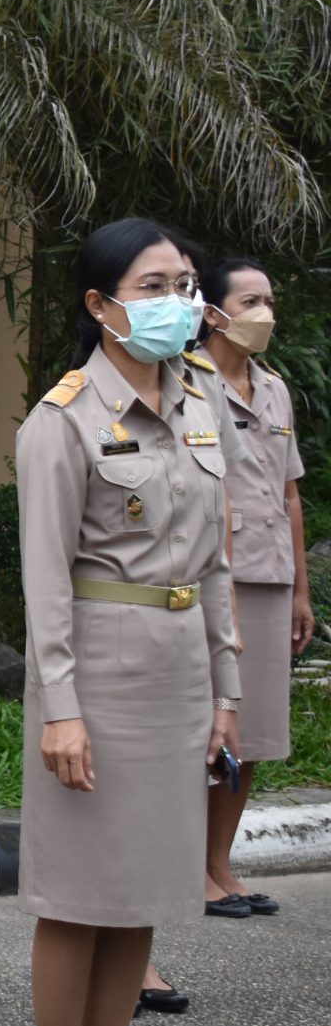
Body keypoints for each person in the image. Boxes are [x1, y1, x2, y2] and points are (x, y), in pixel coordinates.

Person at [15, 217, 236, 1026]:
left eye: (185, 284)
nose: (177, 301)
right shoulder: (62, 420)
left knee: (140, 893)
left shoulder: (201, 402)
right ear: (101, 305)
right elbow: (46, 582)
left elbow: (216, 562)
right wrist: (61, 707)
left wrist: (227, 689)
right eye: (153, 286)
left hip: (179, 672)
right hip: (98, 676)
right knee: (79, 898)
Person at [191, 255, 308, 916]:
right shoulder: (188, 380)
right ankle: (190, 870)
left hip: (269, 574)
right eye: (250, 301)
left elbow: (289, 494)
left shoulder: (274, 388)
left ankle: (220, 864)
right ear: (213, 312)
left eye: (269, 301)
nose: (264, 313)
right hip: (212, 575)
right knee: (209, 725)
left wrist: (300, 590)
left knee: (253, 731)